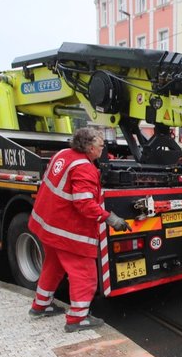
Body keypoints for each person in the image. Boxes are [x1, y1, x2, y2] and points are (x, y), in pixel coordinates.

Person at [28, 127, 130, 332]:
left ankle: (41, 305)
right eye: (101, 146)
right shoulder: (84, 168)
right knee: (84, 273)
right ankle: (77, 318)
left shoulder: (62, 155)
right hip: (68, 230)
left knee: (53, 266)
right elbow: (84, 204)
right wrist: (110, 218)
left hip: (48, 225)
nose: (103, 149)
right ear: (90, 147)